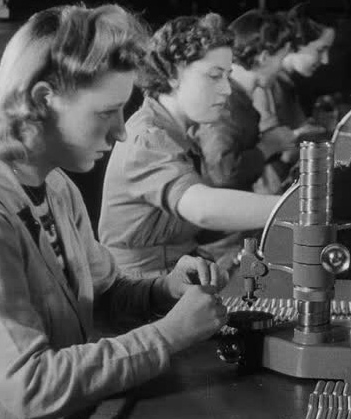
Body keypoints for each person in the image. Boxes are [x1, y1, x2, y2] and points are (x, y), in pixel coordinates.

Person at [0, 5, 228, 419]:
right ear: (44, 99)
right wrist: (170, 334)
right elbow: (31, 386)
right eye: (106, 112)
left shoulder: (55, 186)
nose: (121, 132)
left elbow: (103, 295)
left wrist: (164, 290)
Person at [98, 14, 281, 277]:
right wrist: (295, 207)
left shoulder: (182, 134)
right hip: (139, 288)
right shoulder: (149, 138)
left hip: (175, 274)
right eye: (214, 76)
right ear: (173, 74)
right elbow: (203, 210)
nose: (227, 90)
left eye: (228, 76)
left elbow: (196, 226)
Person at [194, 9, 316, 193]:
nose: (281, 68)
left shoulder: (240, 97)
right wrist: (267, 147)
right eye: (281, 58)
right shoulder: (225, 103)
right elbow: (222, 174)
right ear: (264, 57)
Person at [251, 2, 336, 186]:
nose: (325, 60)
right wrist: (301, 136)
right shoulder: (265, 85)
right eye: (320, 50)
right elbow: (277, 150)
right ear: (295, 44)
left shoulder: (285, 83)